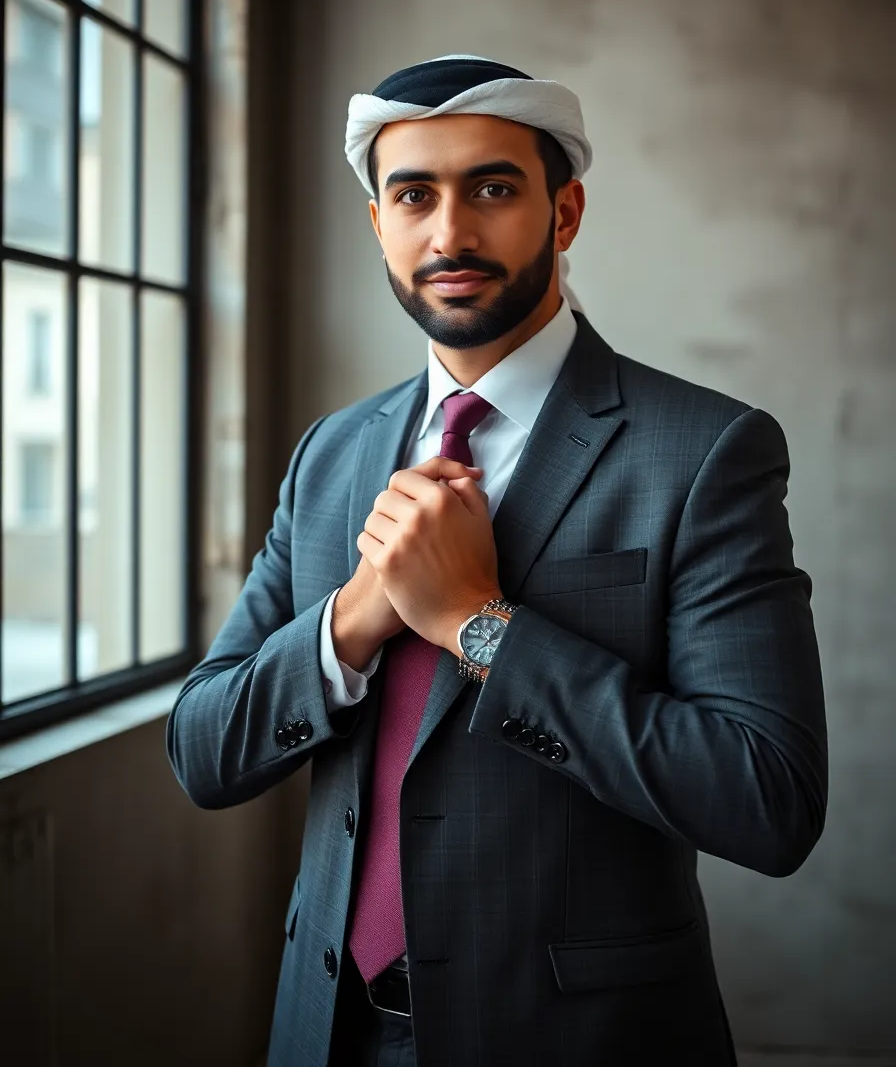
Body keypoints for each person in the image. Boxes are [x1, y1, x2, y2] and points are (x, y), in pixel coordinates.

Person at [166, 54, 828, 1067]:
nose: (448, 233)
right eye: (412, 195)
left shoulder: (703, 454)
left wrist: (477, 624)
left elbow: (765, 799)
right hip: (326, 1032)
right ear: (376, 223)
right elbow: (204, 753)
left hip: (579, 1038)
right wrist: (352, 622)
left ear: (562, 214)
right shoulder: (330, 454)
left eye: (491, 187)